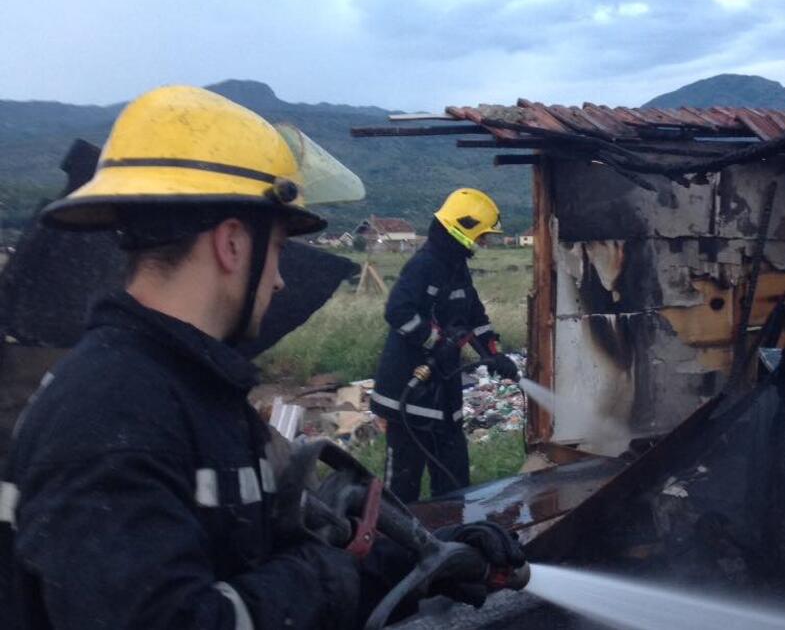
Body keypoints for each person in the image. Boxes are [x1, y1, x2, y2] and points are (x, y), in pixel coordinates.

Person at [0, 86, 523, 630]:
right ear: (232, 244)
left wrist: (428, 561)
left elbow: (257, 569)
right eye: (276, 249)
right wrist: (328, 575)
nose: (278, 280)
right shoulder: (111, 415)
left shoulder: (184, 392)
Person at [371, 189, 520, 503]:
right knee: (403, 489)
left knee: (455, 482)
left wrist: (494, 354)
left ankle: (453, 530)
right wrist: (435, 341)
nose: (483, 243)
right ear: (463, 228)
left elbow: (474, 316)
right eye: (481, 236)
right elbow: (397, 311)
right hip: (408, 392)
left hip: (444, 392)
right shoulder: (424, 265)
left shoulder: (456, 267)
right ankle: (397, 534)